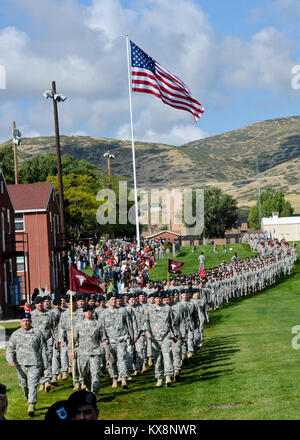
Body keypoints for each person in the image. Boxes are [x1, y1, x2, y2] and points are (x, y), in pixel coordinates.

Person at [6, 312, 48, 417]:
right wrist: (10, 360)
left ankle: (31, 405)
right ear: (21, 322)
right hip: (20, 365)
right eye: (24, 321)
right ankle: (28, 398)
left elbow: (44, 349)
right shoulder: (15, 334)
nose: (26, 323)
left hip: (35, 363)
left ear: (31, 321)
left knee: (32, 385)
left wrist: (45, 363)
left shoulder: (37, 333)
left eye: (28, 321)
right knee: (24, 385)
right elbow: (10, 349)